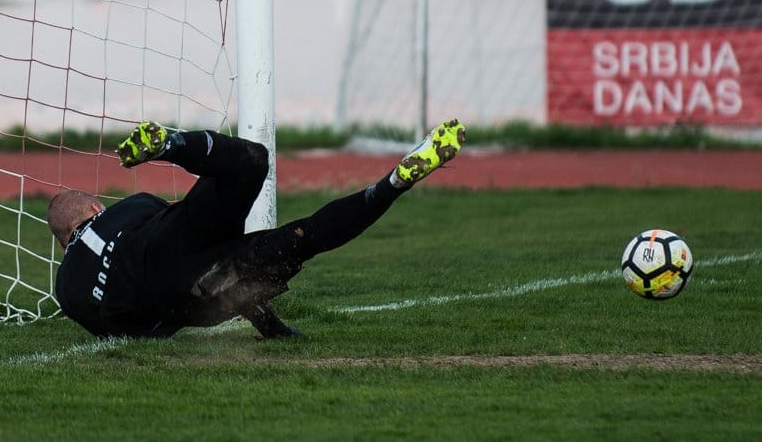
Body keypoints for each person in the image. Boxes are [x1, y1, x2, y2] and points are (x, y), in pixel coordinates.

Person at [49, 117, 466, 339]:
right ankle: (173, 145)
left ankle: (390, 188)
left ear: (63, 238)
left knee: (298, 242)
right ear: (93, 207)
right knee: (249, 162)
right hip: (172, 238)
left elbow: (115, 329)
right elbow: (187, 223)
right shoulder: (125, 209)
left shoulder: (66, 289)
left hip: (179, 298)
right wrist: (270, 325)